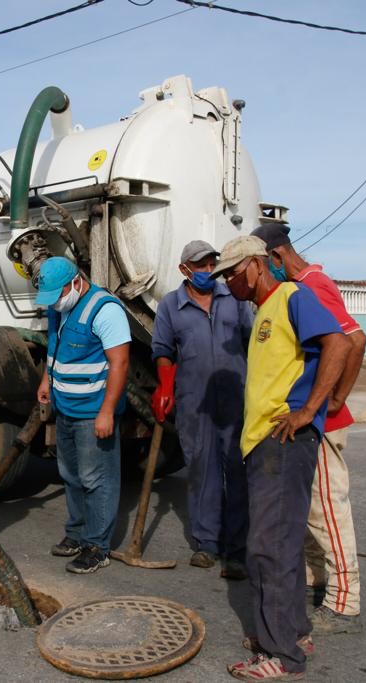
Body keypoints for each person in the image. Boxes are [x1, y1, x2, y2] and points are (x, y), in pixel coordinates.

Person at [211, 235, 349, 681]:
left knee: (268, 549)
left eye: (232, 273)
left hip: (283, 442)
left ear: (255, 265)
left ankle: (281, 654)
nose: (228, 283)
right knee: (280, 546)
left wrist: (311, 409)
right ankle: (293, 632)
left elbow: (341, 343)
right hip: (264, 444)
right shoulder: (262, 311)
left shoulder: (292, 296)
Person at [252, 223, 366, 635]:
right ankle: (315, 581)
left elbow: (353, 340)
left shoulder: (311, 287)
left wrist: (330, 402)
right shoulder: (303, 285)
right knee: (307, 512)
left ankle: (344, 601)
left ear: (277, 258)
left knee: (327, 511)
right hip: (310, 417)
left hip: (320, 420)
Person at [151, 240, 253, 579]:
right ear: (184, 270)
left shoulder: (233, 299)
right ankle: (207, 544)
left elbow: (252, 343)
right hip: (195, 403)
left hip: (236, 399)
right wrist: (165, 385)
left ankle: (236, 551)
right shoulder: (170, 306)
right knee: (201, 471)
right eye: (201, 266)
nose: (209, 271)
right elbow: (163, 350)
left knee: (237, 474)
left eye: (212, 265)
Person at [35, 257, 131, 575]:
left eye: (58, 295)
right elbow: (55, 345)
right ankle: (76, 535)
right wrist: (47, 379)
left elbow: (119, 363)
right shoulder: (58, 307)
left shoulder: (106, 310)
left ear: (76, 282)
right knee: (71, 475)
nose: (55, 303)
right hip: (65, 407)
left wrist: (106, 411)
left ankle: (96, 547)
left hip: (93, 412)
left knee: (96, 479)